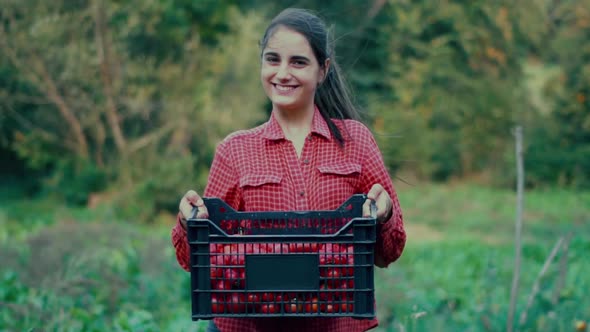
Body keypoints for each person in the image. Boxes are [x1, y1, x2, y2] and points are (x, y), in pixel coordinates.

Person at [172, 8, 406, 332]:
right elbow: (195, 260)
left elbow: (388, 252)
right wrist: (189, 222)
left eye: (298, 62)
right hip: (250, 324)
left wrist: (385, 214)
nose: (283, 73)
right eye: (273, 60)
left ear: (322, 70)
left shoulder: (355, 140)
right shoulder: (235, 149)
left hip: (334, 323)